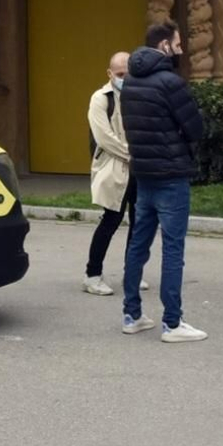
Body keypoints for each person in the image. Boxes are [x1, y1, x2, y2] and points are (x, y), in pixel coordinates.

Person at [118, 22, 208, 342]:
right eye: (178, 44)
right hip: (171, 174)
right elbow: (196, 128)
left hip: (143, 174)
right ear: (165, 46)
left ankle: (132, 314)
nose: (181, 49)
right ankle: (172, 322)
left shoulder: (130, 81)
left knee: (138, 243)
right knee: (172, 248)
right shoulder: (171, 82)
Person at [84, 52, 147, 295]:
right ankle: (92, 275)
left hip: (137, 169)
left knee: (139, 222)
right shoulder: (100, 99)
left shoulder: (140, 96)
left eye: (129, 74)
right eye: (120, 74)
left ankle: (132, 272)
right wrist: (133, 154)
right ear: (110, 74)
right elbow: (104, 138)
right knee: (111, 220)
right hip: (115, 168)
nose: (125, 79)